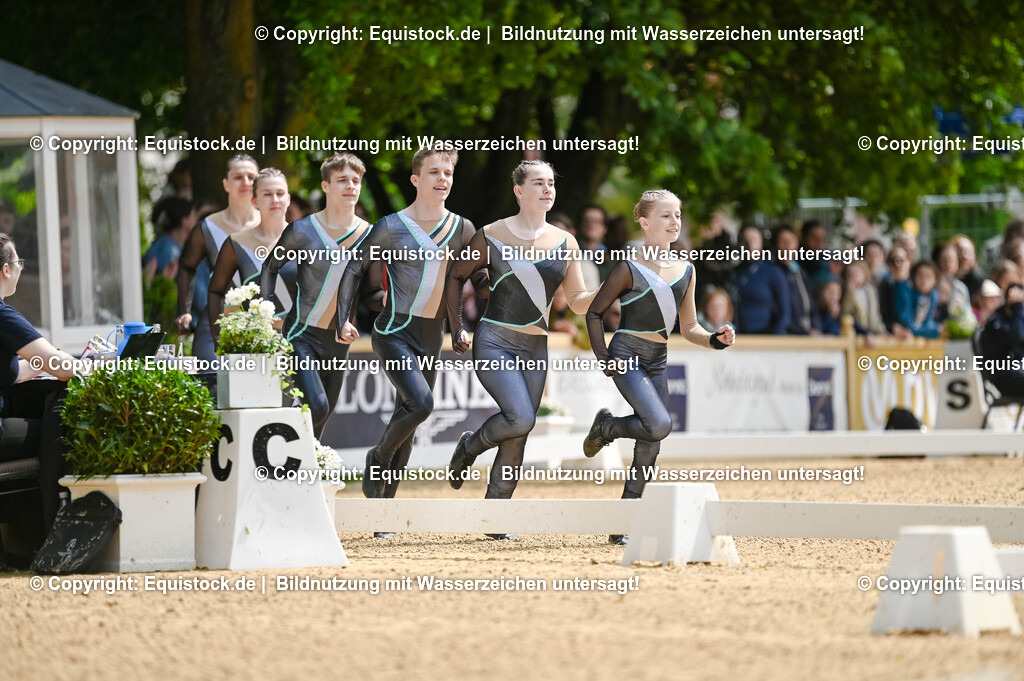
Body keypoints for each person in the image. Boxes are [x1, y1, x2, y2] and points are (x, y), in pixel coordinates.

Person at [444, 160, 596, 535]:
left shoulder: (566, 242)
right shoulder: (490, 234)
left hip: (535, 348)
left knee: (519, 431)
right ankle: (470, 446)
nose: (548, 189)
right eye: (539, 183)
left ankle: (495, 518)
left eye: (551, 184)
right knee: (521, 417)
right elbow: (457, 277)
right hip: (494, 339)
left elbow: (576, 300)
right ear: (519, 191)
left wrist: (607, 295)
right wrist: (457, 327)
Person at [581, 190, 734, 545]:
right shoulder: (628, 267)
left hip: (659, 359)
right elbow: (594, 313)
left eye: (678, 215)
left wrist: (714, 339)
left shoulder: (687, 270)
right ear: (645, 222)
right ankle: (607, 427)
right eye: (666, 216)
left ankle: (624, 524)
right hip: (627, 353)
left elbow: (690, 326)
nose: (675, 222)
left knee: (652, 443)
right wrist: (604, 358)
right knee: (659, 424)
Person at [336, 149, 483, 511]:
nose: (442, 179)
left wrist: (464, 325)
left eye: (447, 173)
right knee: (421, 403)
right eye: (434, 172)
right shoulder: (389, 226)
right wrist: (345, 317)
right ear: (416, 180)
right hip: (394, 332)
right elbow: (354, 270)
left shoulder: (462, 228)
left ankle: (383, 510)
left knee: (412, 423)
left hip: (432, 336)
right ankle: (378, 454)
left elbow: (478, 277)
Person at [259, 154, 375, 439]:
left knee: (321, 420)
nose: (350, 186)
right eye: (342, 180)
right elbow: (269, 267)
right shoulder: (302, 230)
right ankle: (283, 450)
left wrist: (386, 303)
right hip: (301, 334)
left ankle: (302, 474)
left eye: (355, 181)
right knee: (318, 407)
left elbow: (373, 291)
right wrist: (265, 307)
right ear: (325, 186)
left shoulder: (369, 235)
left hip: (338, 339)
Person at [0, 234, 76, 532]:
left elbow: (10, 372)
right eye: (18, 262)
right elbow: (62, 369)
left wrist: (43, 362)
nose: (20, 268)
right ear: (6, 269)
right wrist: (92, 364)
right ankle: (54, 525)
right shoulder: (4, 315)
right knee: (58, 424)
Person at [176, 155, 260, 361]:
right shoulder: (208, 227)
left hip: (263, 319)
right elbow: (187, 268)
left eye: (251, 177)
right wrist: (184, 311)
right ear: (226, 184)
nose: (246, 182)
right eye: (238, 177)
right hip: (218, 315)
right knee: (210, 375)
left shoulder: (273, 225)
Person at [208, 169, 297, 346]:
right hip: (255, 346)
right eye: (267, 194)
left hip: (301, 343)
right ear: (254, 201)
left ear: (288, 199)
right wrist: (220, 338)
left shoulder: (307, 240)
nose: (274, 200)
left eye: (280, 193)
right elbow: (215, 291)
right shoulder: (236, 243)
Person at [731, 225, 790, 334]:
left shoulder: (773, 272)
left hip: (765, 337)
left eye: (753, 239)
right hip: (735, 337)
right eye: (745, 240)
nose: (749, 244)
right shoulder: (733, 272)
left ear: (761, 243)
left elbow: (785, 313)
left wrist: (775, 339)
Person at [979, 283, 1024, 397]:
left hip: (1017, 373)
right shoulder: (996, 321)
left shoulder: (1017, 320)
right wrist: (1017, 307)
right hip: (1003, 378)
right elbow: (1018, 337)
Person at [143, 197, 196, 285]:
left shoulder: (170, 246)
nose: (196, 220)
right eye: (193, 215)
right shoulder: (167, 251)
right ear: (184, 221)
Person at [895, 261, 941, 339]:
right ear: (913, 277)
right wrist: (936, 331)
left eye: (928, 277)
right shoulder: (905, 290)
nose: (924, 280)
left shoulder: (934, 295)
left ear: (935, 280)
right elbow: (907, 323)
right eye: (920, 276)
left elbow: (928, 322)